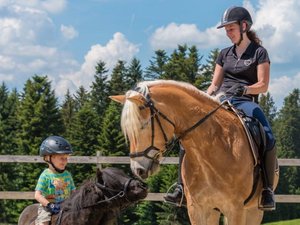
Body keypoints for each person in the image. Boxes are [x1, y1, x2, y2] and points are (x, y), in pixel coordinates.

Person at [164, 6, 277, 211]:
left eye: (231, 28)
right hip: (221, 100)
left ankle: (267, 189)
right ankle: (181, 186)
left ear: (244, 26)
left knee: (266, 133)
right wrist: (203, 99)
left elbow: (263, 85)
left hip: (246, 102)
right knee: (188, 133)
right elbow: (214, 84)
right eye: (226, 30)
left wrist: (244, 89)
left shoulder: (259, 52)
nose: (228, 33)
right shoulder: (224, 54)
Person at [35, 136, 76, 225]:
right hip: (48, 207)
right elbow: (37, 195)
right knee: (44, 221)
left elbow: (73, 192)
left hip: (66, 206)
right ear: (48, 158)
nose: (65, 161)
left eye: (66, 158)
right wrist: (50, 205)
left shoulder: (67, 175)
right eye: (61, 158)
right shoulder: (45, 175)